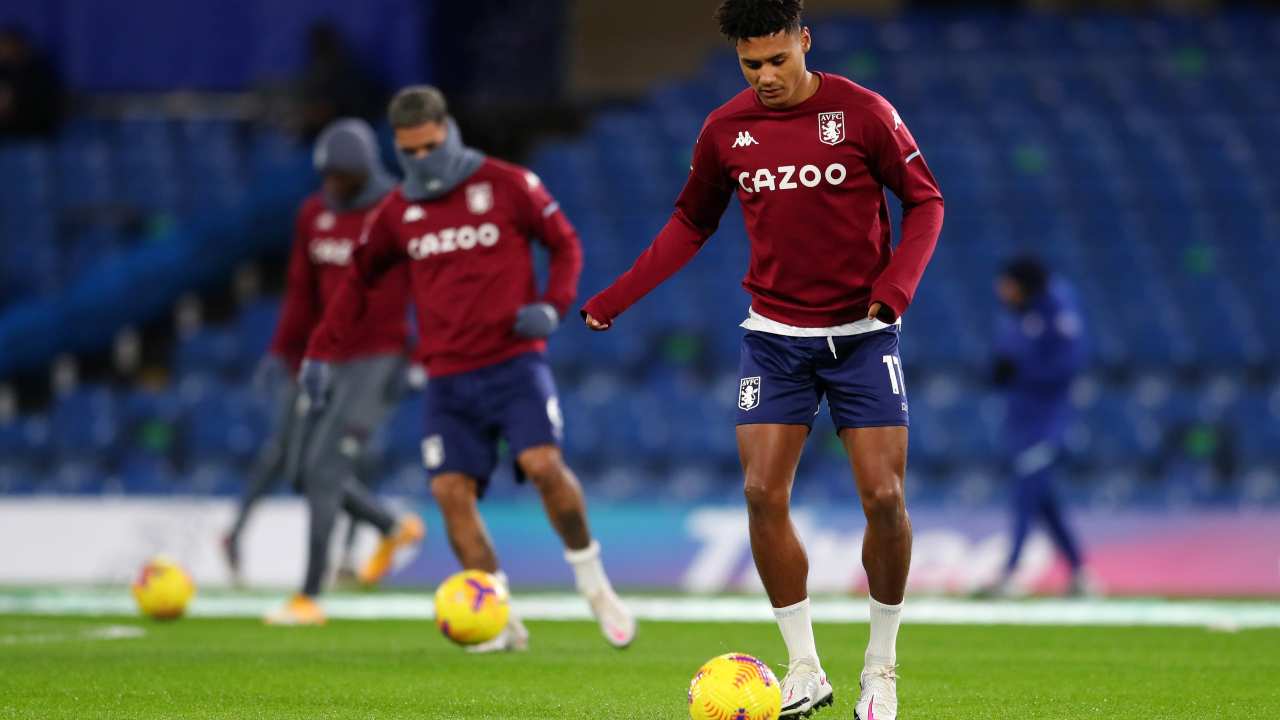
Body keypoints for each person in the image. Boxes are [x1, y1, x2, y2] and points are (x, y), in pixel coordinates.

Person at [581, 1, 944, 717]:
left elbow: (925, 203)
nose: (768, 75)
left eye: (780, 59)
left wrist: (895, 288)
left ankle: (881, 668)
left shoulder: (863, 112)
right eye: (753, 65)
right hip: (774, 339)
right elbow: (691, 220)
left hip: (861, 337)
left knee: (885, 499)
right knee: (759, 493)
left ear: (805, 41)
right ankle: (804, 668)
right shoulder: (726, 129)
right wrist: (618, 296)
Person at [301, 85, 635, 651]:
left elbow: (565, 244)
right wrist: (321, 351)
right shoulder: (398, 213)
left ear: (448, 130)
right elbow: (357, 281)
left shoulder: (507, 184)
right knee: (451, 492)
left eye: (431, 146)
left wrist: (553, 306)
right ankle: (498, 615)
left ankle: (594, 582)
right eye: (411, 152)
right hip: (447, 376)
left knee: (545, 465)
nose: (423, 161)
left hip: (512, 364)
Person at [241, 118, 424, 626]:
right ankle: (392, 526)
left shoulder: (399, 210)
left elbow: (433, 284)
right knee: (299, 471)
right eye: (328, 178)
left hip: (377, 359)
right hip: (322, 359)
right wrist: (283, 352)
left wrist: (422, 357)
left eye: (343, 178)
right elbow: (302, 291)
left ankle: (308, 595)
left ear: (364, 172)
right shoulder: (314, 214)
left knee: (325, 470)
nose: (334, 187)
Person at [987, 256, 1094, 597]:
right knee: (1045, 502)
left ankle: (1011, 572)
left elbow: (1065, 369)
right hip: (1023, 421)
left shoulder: (1058, 313)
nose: (1001, 291)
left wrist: (1018, 370)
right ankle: (1081, 574)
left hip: (1047, 422)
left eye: (1008, 284)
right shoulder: (1022, 314)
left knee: (1025, 495)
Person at [0, 26, 61, 139]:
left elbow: (44, 113)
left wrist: (12, 104)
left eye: (6, 45)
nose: (3, 51)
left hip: (34, 134)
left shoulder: (40, 72)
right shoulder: (3, 71)